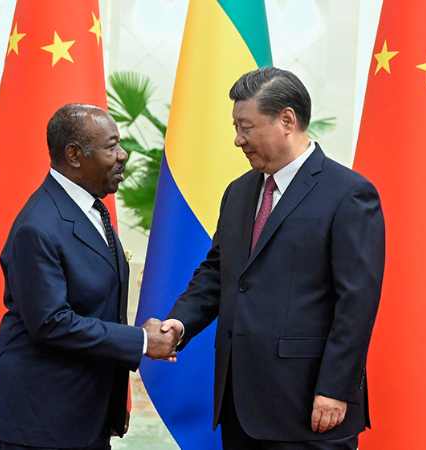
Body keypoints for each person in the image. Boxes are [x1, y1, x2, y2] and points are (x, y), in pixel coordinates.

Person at [161, 67, 385, 449]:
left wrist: (335, 388)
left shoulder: (349, 193)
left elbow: (356, 303)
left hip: (310, 406)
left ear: (287, 120)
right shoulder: (237, 192)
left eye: (246, 127)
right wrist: (179, 324)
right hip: (239, 405)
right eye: (236, 127)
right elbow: (217, 273)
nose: (238, 140)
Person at [0, 104, 179, 450]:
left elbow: (99, 307)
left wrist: (110, 402)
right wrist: (141, 341)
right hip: (39, 419)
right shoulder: (38, 226)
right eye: (111, 146)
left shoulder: (90, 208)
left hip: (83, 410)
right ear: (74, 155)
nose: (123, 155)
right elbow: (51, 323)